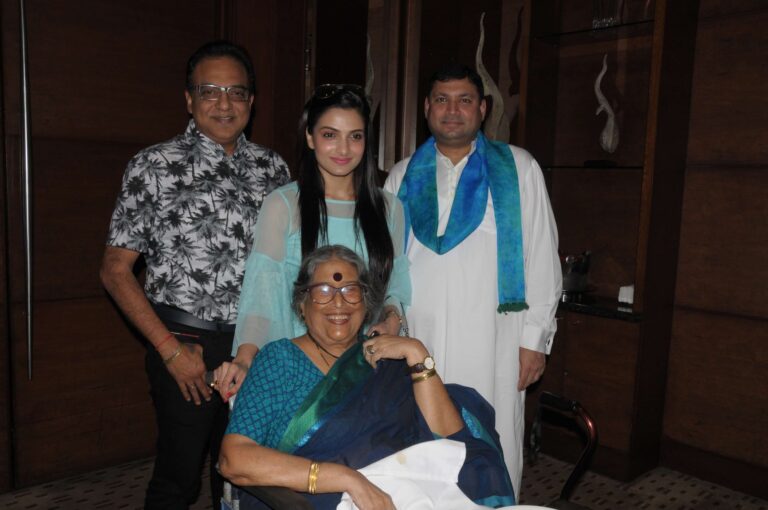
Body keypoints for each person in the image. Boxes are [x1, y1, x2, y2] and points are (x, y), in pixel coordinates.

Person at [99, 40, 290, 509]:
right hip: (185, 344)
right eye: (210, 91)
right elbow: (115, 270)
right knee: (177, 482)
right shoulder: (154, 166)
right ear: (189, 99)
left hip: (255, 344)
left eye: (237, 92)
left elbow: (284, 269)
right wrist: (168, 351)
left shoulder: (274, 169)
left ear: (252, 100)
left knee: (243, 477)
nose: (224, 104)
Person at [219, 245, 515, 510]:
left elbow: (453, 442)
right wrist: (346, 478)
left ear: (365, 303)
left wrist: (415, 353)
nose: (339, 303)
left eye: (351, 290)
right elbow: (235, 458)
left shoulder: (384, 358)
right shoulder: (278, 360)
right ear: (302, 304)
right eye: (323, 291)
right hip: (312, 499)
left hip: (407, 493)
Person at [384, 63, 561, 496]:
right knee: (420, 449)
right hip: (418, 338)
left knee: (492, 445)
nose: (453, 110)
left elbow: (542, 256)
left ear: (482, 109)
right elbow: (386, 265)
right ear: (427, 108)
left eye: (465, 100)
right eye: (442, 100)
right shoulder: (401, 176)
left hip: (494, 342)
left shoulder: (518, 168)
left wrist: (534, 340)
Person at [216, 83, 410, 395]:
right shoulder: (283, 205)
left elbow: (395, 285)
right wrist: (244, 358)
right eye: (330, 135)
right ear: (310, 136)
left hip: (366, 369)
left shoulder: (390, 209)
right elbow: (261, 294)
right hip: (299, 370)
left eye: (355, 136)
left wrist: (391, 320)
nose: (343, 149)